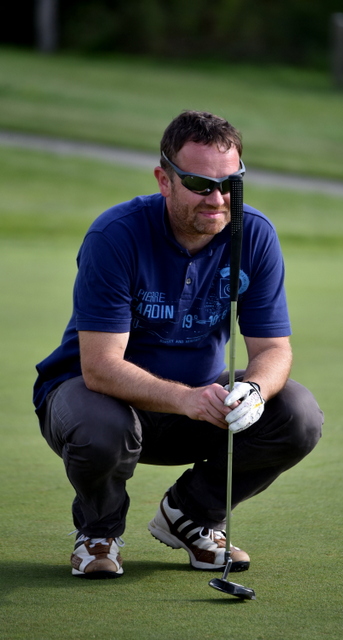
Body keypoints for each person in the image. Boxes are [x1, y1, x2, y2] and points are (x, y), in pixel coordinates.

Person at [33, 110, 323, 579]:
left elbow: (273, 350)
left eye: (230, 184)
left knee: (298, 413)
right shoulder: (116, 235)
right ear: (164, 180)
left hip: (199, 404)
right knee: (101, 426)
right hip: (98, 401)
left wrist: (253, 391)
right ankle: (99, 533)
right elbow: (100, 367)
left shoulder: (253, 234)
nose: (218, 199)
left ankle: (191, 515)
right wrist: (187, 399)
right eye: (200, 184)